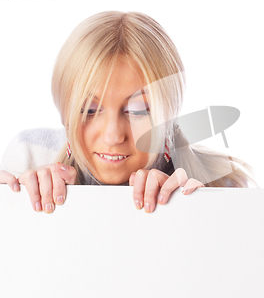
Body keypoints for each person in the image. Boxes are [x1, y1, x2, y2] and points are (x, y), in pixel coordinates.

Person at [0, 11, 251, 213]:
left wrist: (193, 214)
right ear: (65, 114)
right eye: (89, 109)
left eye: (139, 111)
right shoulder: (28, 156)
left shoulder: (220, 185)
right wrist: (15, 207)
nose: (112, 136)